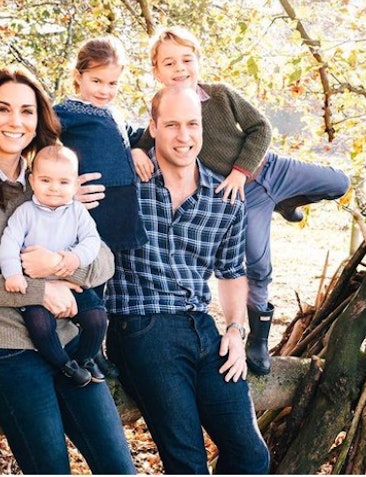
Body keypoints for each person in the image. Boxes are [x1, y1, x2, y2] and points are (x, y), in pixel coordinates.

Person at [0, 67, 135, 475]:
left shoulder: (52, 180)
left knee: (119, 467)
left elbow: (105, 260)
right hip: (7, 350)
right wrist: (40, 291)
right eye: (3, 109)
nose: (15, 121)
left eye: (27, 111)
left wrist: (61, 264)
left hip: (71, 345)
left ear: (39, 120)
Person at [132, 26, 350, 375]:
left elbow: (260, 128)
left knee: (340, 182)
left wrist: (240, 170)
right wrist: (134, 151)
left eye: (187, 60)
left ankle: (287, 201)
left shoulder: (220, 95)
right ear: (157, 71)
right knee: (257, 265)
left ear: (198, 61)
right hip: (244, 198)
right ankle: (258, 340)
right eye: (169, 63)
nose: (180, 69)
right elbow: (146, 138)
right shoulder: (165, 112)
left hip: (270, 169)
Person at [106, 85, 270, 474]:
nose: (184, 135)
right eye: (172, 125)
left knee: (251, 455)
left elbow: (231, 272)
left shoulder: (224, 196)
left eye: (192, 124)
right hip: (142, 326)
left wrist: (234, 329)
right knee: (188, 463)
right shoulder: (126, 180)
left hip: (202, 327)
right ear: (154, 127)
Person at [0, 144, 107, 387]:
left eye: (63, 182)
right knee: (40, 327)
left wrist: (74, 258)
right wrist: (13, 274)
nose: (54, 188)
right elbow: (9, 242)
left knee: (97, 318)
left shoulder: (78, 212)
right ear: (32, 181)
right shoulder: (25, 212)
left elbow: (92, 241)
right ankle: (64, 366)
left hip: (69, 283)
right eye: (46, 180)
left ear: (75, 185)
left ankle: (84, 359)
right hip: (36, 288)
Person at [54, 35, 148, 257]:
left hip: (122, 207)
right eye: (97, 81)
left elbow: (134, 135)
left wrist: (139, 148)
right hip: (96, 207)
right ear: (79, 76)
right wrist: (64, 184)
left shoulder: (113, 112)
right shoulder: (68, 111)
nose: (105, 90)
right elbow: (39, 141)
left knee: (113, 274)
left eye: (112, 83)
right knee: (89, 271)